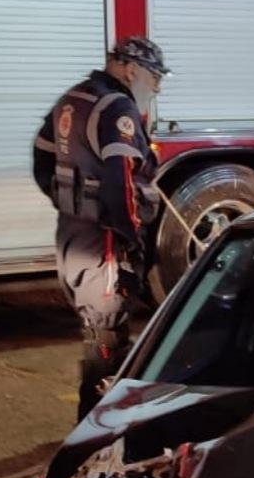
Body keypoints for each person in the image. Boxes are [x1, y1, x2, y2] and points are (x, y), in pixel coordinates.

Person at [34, 36, 169, 418]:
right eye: (156, 77)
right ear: (131, 69)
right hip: (105, 244)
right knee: (106, 340)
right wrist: (130, 239)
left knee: (96, 331)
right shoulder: (118, 108)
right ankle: (96, 432)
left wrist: (70, 204)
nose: (157, 87)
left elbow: (41, 158)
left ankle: (95, 424)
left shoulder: (74, 97)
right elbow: (120, 180)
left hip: (74, 236)